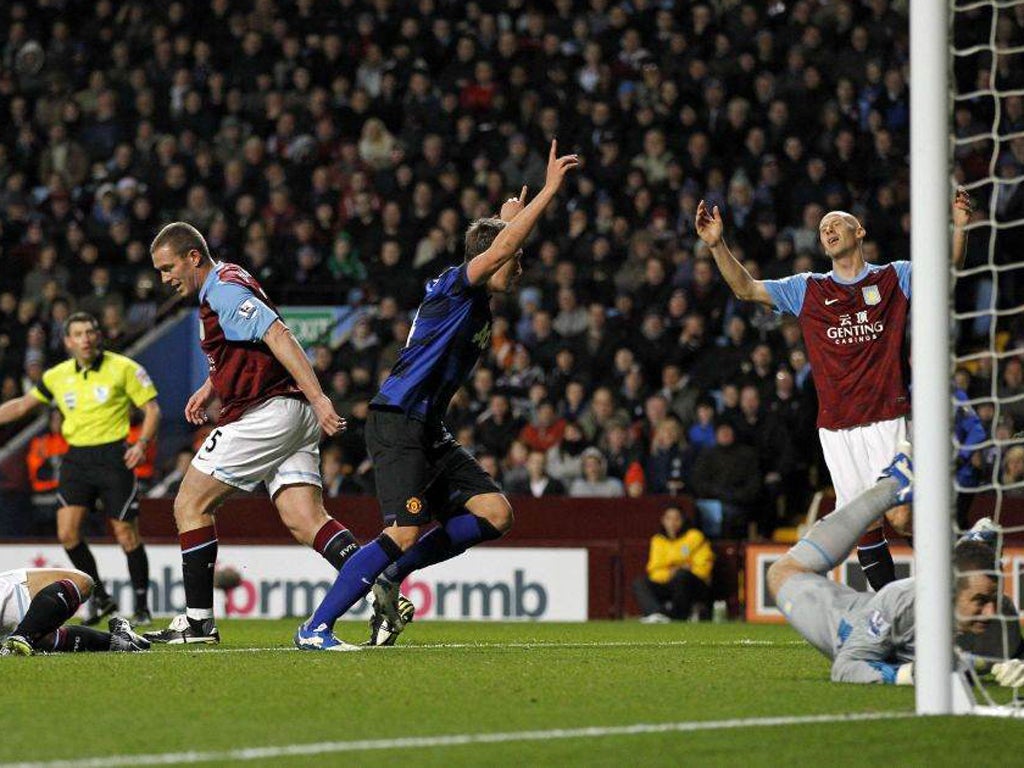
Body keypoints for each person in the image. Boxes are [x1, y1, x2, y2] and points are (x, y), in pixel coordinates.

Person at [295, 140, 579, 651]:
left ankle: (390, 576)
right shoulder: (457, 285)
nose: (521, 267)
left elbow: (494, 245)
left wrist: (505, 214)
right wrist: (548, 192)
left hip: (427, 426)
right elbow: (496, 250)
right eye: (516, 259)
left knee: (495, 511)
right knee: (403, 530)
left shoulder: (474, 292)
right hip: (399, 419)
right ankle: (315, 628)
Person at [695, 188, 973, 591]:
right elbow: (747, 289)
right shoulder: (808, 288)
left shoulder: (893, 276)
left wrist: (960, 228)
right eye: (822, 227)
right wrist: (717, 245)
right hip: (836, 427)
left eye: (836, 222)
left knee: (902, 518)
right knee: (865, 522)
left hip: (887, 418)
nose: (828, 229)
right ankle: (889, 620)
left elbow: (948, 269)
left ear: (858, 231)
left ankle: (963, 574)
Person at [146, 222, 399, 644]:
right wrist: (212, 386)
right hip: (290, 414)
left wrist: (320, 398)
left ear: (193, 257)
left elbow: (278, 335)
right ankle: (378, 587)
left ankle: (197, 622)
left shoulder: (222, 289)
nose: (164, 278)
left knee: (189, 503)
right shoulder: (230, 277)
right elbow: (247, 348)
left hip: (269, 413)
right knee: (306, 519)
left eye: (167, 267)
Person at [768, 445, 1024, 686]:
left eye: (993, 598)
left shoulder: (1002, 621)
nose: (991, 610)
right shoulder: (904, 600)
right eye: (980, 600)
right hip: (847, 624)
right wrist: (909, 674)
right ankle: (892, 487)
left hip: (888, 608)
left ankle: (965, 542)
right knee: (783, 572)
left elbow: (1009, 656)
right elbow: (846, 666)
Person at [0, 312, 160, 626]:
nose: (86, 338)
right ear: (68, 341)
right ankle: (101, 598)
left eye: (91, 331)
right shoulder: (57, 375)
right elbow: (22, 405)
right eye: (79, 333)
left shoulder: (124, 368)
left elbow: (152, 409)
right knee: (67, 533)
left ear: (98, 335)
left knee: (127, 535)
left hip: (114, 457)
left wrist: (141, 444)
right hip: (77, 460)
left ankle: (141, 607)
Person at [1, 567, 149, 656]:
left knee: (82, 582)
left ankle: (22, 636)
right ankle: (117, 641)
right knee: (47, 639)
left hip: (14, 593)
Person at [633, 506, 714, 623]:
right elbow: (654, 571)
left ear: (683, 520)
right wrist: (674, 570)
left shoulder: (694, 537)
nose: (672, 523)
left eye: (676, 519)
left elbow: (703, 568)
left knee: (682, 576)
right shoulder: (658, 540)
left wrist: (677, 570)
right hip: (669, 582)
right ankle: (658, 614)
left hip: (694, 585)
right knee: (640, 582)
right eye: (669, 519)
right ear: (663, 521)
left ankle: (678, 616)